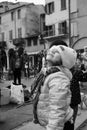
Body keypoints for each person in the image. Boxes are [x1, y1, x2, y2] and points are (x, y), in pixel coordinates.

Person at [32, 45, 77, 130]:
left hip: (59, 125)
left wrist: (53, 128)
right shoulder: (49, 73)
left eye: (56, 52)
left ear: (64, 60)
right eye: (52, 49)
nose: (51, 51)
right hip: (52, 122)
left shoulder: (58, 77)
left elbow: (58, 107)